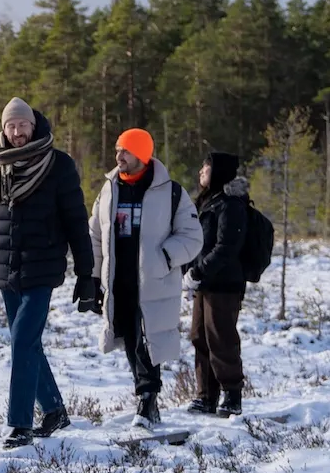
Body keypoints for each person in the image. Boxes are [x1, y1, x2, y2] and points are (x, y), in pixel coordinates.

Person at [0, 98, 96, 450]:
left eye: (22, 125)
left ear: (34, 125)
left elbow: (75, 221)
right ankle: (54, 409)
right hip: (4, 268)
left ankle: (20, 423)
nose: (17, 133)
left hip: (42, 267)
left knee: (22, 342)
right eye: (10, 126)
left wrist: (86, 274)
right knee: (26, 342)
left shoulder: (58, 164)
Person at [86, 128, 201, 426]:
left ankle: (148, 399)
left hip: (152, 281)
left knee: (146, 339)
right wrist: (94, 276)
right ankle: (145, 396)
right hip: (117, 280)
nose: (119, 156)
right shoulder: (109, 189)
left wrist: (164, 257)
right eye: (117, 150)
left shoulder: (171, 191)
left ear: (142, 154)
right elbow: (95, 235)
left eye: (125, 151)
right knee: (127, 336)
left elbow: (191, 236)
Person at [187, 151, 250, 417]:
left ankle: (232, 395)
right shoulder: (208, 201)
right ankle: (206, 396)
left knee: (221, 338)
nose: (201, 170)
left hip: (224, 284)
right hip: (205, 283)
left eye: (207, 166)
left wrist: (199, 271)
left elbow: (226, 247)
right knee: (200, 337)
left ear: (219, 171)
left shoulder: (231, 204)